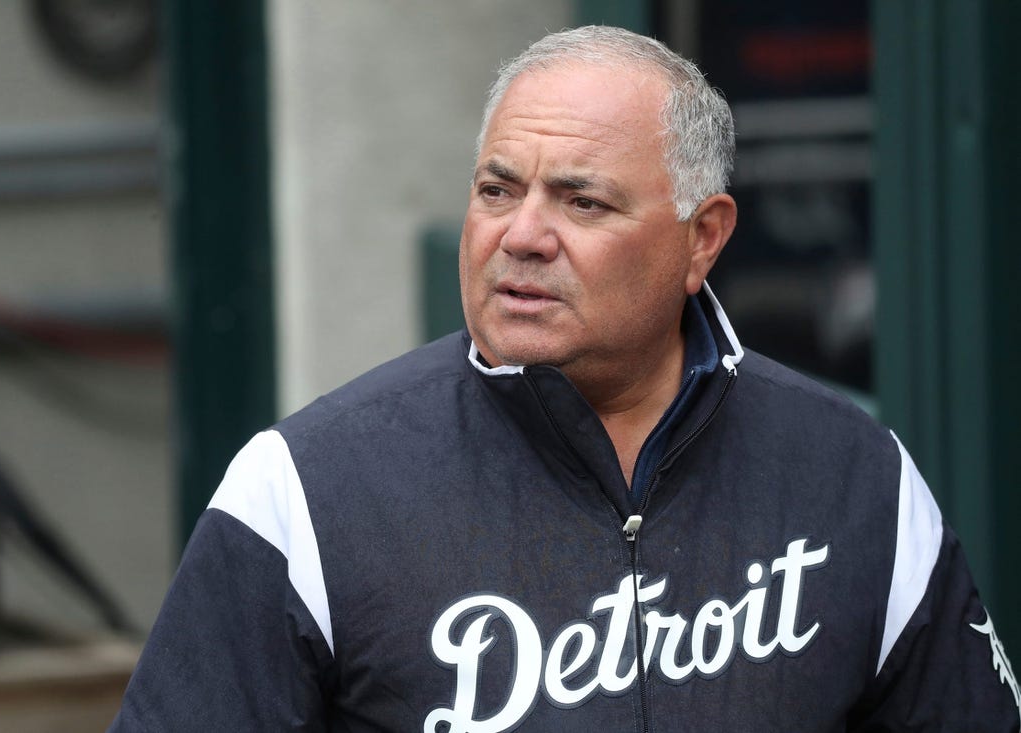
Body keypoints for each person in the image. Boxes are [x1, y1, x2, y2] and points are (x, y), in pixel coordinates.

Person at [110, 26, 1020, 732]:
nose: (523, 235)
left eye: (582, 201)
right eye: (498, 190)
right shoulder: (301, 492)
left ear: (702, 238)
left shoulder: (854, 477)